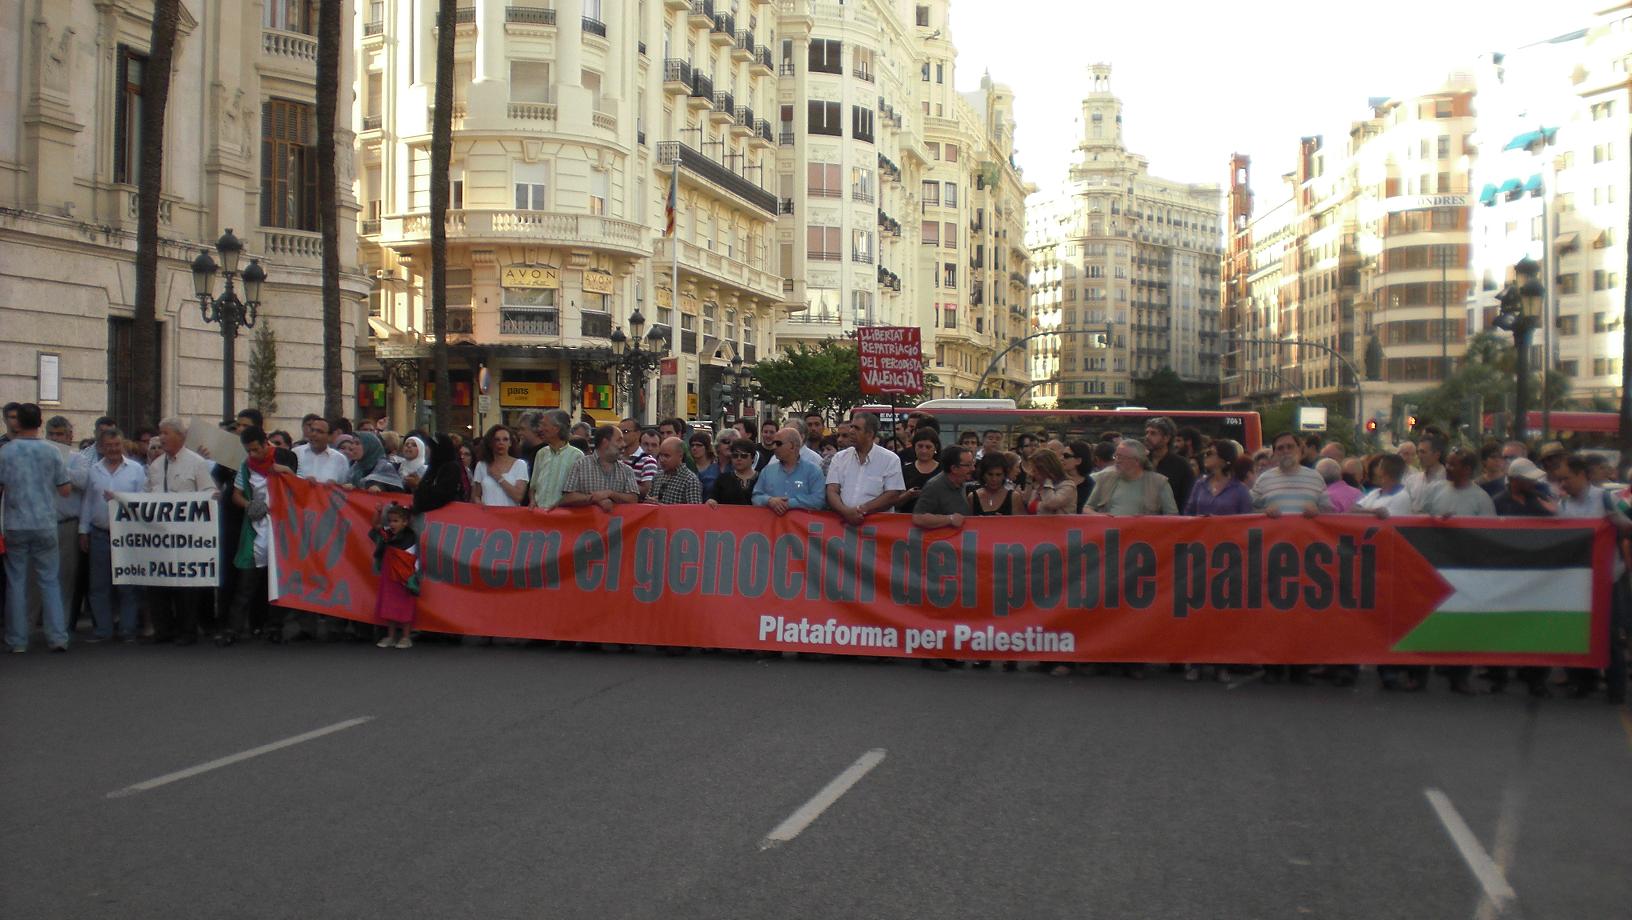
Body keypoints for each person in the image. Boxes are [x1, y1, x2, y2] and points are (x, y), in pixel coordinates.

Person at [1552, 454, 1632, 703]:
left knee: (1610, 635)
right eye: (1560, 480)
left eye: (1567, 478)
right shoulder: (1564, 506)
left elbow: (1628, 526)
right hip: (1579, 579)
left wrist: (1617, 522)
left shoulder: (1606, 498)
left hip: (1609, 579)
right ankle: (1583, 683)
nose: (1563, 484)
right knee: (1580, 632)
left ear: (1582, 475)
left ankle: (1616, 688)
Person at [0, 403, 72, 653]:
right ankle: (57, 637)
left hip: (15, 522)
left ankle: (18, 640)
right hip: (44, 521)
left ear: (17, 422)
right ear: (41, 423)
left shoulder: (5, 452)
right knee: (49, 580)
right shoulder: (52, 451)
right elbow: (65, 489)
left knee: (16, 581)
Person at [216, 427, 295, 646]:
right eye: (248, 450)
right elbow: (236, 495)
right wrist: (249, 505)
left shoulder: (282, 461)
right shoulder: (246, 467)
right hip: (256, 527)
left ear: (265, 444)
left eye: (255, 450)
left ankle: (274, 627)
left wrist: (286, 472)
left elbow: (298, 488)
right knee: (246, 583)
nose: (252, 454)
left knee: (277, 583)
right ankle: (233, 628)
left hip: (280, 529)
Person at [145, 417, 220, 643]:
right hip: (160, 535)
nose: (161, 438)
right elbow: (146, 493)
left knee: (186, 587)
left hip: (187, 536)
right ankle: (163, 629)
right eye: (160, 433)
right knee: (158, 583)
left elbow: (209, 491)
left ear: (181, 436)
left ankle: (187, 630)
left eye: (166, 433)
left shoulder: (196, 463)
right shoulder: (156, 465)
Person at [79, 426, 146, 644]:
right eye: (108, 446)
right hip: (100, 533)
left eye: (117, 445)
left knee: (128, 585)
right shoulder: (94, 470)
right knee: (99, 586)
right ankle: (103, 630)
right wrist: (83, 531)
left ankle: (127, 630)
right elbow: (87, 502)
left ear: (123, 444)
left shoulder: (136, 470)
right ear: (101, 447)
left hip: (127, 535)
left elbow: (143, 502)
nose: (113, 449)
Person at [825, 413, 905, 526]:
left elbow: (892, 494)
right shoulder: (840, 458)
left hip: (877, 530)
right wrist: (846, 512)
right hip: (843, 528)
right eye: (851, 426)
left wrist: (861, 510)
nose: (851, 431)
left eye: (856, 428)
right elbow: (832, 490)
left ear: (870, 434)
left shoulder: (890, 459)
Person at [1251, 431, 1334, 517]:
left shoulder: (1316, 478)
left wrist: (1318, 511)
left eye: (1290, 447)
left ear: (1299, 449)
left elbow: (1330, 512)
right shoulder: (1263, 479)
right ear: (1274, 453)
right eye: (1280, 448)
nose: (1285, 451)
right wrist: (1264, 511)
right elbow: (1248, 510)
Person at [370, 503, 419, 649]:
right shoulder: (388, 534)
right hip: (389, 574)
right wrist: (378, 512)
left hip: (405, 575)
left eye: (396, 521)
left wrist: (412, 577)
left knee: (405, 605)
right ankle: (390, 636)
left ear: (405, 522)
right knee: (389, 604)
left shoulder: (411, 536)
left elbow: (414, 558)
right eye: (390, 521)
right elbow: (375, 526)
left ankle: (405, 637)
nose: (392, 524)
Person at [1085, 440, 1177, 516]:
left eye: (1121, 457)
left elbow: (1172, 516)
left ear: (1136, 461)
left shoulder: (1159, 483)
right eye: (1116, 456)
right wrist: (1098, 516)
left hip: (1143, 535)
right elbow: (1087, 508)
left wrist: (1147, 520)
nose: (1117, 461)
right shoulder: (1105, 478)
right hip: (1111, 534)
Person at [560, 425, 640, 511]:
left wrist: (611, 494)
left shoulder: (626, 470)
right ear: (605, 442)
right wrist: (593, 499)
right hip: (586, 523)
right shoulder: (580, 465)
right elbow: (567, 497)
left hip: (615, 524)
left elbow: (633, 499)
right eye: (619, 440)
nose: (623, 444)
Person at [752, 428, 827, 515]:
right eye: (773, 443)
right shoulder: (767, 471)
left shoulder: (813, 471)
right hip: (772, 526)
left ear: (792, 446)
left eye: (778, 443)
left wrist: (789, 503)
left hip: (801, 526)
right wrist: (770, 501)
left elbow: (818, 500)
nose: (773, 447)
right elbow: (755, 497)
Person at [528, 410, 583, 511]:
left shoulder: (577, 456)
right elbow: (533, 486)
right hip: (539, 517)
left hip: (561, 519)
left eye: (544, 425)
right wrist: (532, 501)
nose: (540, 429)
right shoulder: (541, 453)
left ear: (556, 428)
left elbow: (578, 492)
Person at [911, 445, 976, 530]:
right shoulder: (934, 486)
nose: (973, 468)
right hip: (942, 540)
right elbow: (918, 517)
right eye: (968, 465)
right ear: (954, 468)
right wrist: (949, 519)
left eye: (973, 463)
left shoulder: (961, 483)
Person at [1185, 440, 1253, 516]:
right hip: (1202, 528)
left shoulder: (1240, 490)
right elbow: (1189, 512)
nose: (1205, 456)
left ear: (1223, 459)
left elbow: (1246, 519)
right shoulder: (1200, 484)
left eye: (1210, 453)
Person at [1143, 417, 1194, 512]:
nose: (1147, 436)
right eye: (1147, 432)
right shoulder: (1141, 461)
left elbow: (1187, 499)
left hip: (1170, 519)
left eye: (1153, 433)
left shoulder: (1181, 465)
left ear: (1166, 438)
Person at [471, 425, 529, 507]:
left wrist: (498, 477)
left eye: (505, 439)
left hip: (510, 516)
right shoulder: (481, 465)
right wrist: (479, 504)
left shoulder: (520, 464)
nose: (501, 443)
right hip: (487, 516)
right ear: (490, 443)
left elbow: (518, 497)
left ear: (510, 443)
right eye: (497, 440)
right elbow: (476, 495)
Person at [646, 436, 703, 505]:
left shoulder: (690, 480)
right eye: (660, 455)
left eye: (667, 456)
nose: (662, 459)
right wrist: (649, 501)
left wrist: (664, 509)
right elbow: (647, 500)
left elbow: (694, 511)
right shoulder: (657, 476)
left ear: (680, 456)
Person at [897, 429, 942, 513]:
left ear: (935, 448)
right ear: (914, 447)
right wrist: (908, 495)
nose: (924, 450)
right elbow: (896, 502)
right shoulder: (904, 470)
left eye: (928, 447)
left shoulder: (943, 470)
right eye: (920, 446)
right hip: (908, 518)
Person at [292, 417, 349, 484]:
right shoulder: (295, 453)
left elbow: (343, 487)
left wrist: (334, 486)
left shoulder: (340, 459)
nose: (314, 434)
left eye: (319, 432)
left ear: (330, 436)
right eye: (312, 430)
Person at [709, 440, 760, 507]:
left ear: (753, 458)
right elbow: (713, 498)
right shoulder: (723, 479)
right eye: (735, 456)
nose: (739, 459)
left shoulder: (762, 478)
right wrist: (711, 502)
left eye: (744, 456)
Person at [1063, 441, 1094, 513]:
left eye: (1066, 456)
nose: (1061, 458)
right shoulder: (1056, 480)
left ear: (1078, 461)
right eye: (1061, 455)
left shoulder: (1091, 485)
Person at [689, 432, 719, 497]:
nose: (694, 448)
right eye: (692, 445)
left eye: (699, 445)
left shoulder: (716, 467)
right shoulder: (688, 465)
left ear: (707, 447)